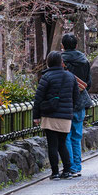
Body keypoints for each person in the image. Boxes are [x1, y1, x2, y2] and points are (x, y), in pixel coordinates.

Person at [33, 51, 79, 180]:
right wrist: (70, 109)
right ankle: (67, 170)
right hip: (65, 116)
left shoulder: (46, 77)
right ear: (61, 62)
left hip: (50, 115)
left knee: (52, 144)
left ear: (48, 62)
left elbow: (38, 98)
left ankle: (55, 173)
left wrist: (36, 116)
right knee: (62, 144)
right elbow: (76, 97)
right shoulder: (70, 77)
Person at [61, 34, 93, 178]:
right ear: (75, 45)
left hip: (65, 102)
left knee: (66, 136)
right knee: (76, 135)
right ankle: (76, 166)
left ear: (63, 46)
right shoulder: (84, 60)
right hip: (80, 101)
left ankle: (68, 167)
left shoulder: (59, 61)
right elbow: (88, 83)